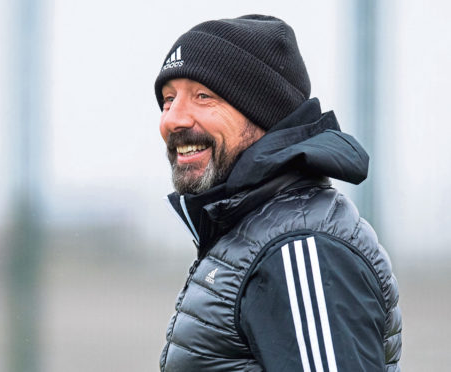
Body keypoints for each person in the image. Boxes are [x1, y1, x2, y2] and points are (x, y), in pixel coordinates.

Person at [154, 15, 402, 371]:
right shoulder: (254, 233)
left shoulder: (300, 246)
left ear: (263, 112)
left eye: (203, 96)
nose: (172, 119)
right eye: (168, 99)